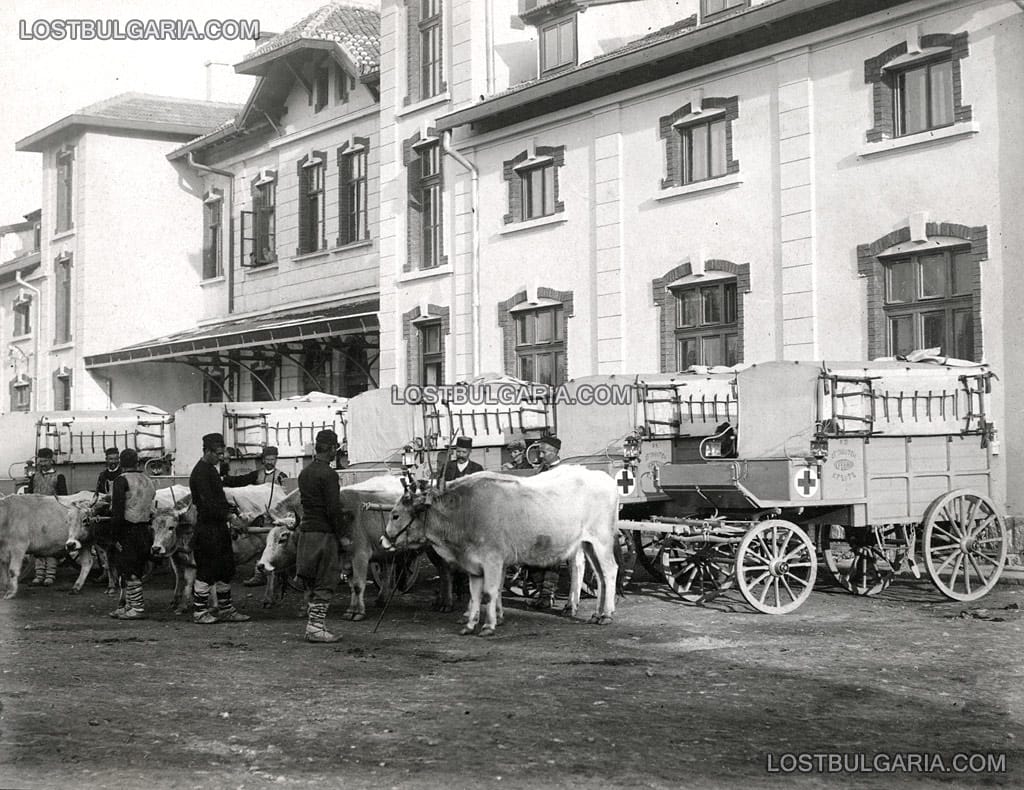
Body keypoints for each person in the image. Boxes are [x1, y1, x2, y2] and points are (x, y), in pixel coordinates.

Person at [188, 433, 251, 624]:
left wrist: (233, 514)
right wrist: (231, 517)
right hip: (207, 530)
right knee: (207, 569)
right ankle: (199, 612)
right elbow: (208, 505)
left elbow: (220, 501)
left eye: (222, 453)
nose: (221, 457)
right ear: (206, 451)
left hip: (219, 528)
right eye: (217, 453)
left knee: (225, 569)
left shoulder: (211, 470)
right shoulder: (200, 473)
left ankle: (226, 609)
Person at [296, 429, 346, 643]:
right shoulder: (329, 475)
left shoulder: (304, 473)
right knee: (326, 579)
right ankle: (315, 628)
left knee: (311, 580)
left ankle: (315, 625)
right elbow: (333, 510)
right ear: (332, 449)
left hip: (306, 534)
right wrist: (343, 535)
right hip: (324, 535)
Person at [107, 449, 156, 620]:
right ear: (138, 462)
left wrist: (115, 537)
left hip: (127, 530)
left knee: (129, 570)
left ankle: (137, 607)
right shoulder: (148, 480)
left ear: (121, 463)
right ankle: (128, 606)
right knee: (136, 568)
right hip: (144, 530)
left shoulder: (121, 481)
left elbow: (118, 511)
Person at [235, 446, 290, 588]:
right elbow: (244, 485)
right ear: (263, 460)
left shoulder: (281, 476)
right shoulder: (256, 475)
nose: (270, 462)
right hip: (259, 516)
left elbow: (285, 496)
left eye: (273, 459)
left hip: (275, 517)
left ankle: (277, 575)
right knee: (258, 545)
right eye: (268, 459)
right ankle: (259, 575)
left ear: (276, 459)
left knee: (275, 545)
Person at [529, 436, 566, 610]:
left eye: (544, 452)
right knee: (530, 557)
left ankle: (547, 595)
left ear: (555, 452)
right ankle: (540, 591)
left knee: (551, 559)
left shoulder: (564, 471)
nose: (541, 455)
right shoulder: (540, 470)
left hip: (556, 521)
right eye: (540, 452)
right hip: (538, 521)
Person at [27, 448, 68, 586]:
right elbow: (28, 497)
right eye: (40, 461)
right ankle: (39, 575)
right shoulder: (34, 477)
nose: (42, 463)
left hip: (53, 518)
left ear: (51, 460)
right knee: (37, 546)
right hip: (36, 518)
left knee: (51, 546)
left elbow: (64, 499)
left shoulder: (59, 477)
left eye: (45, 461)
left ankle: (50, 574)